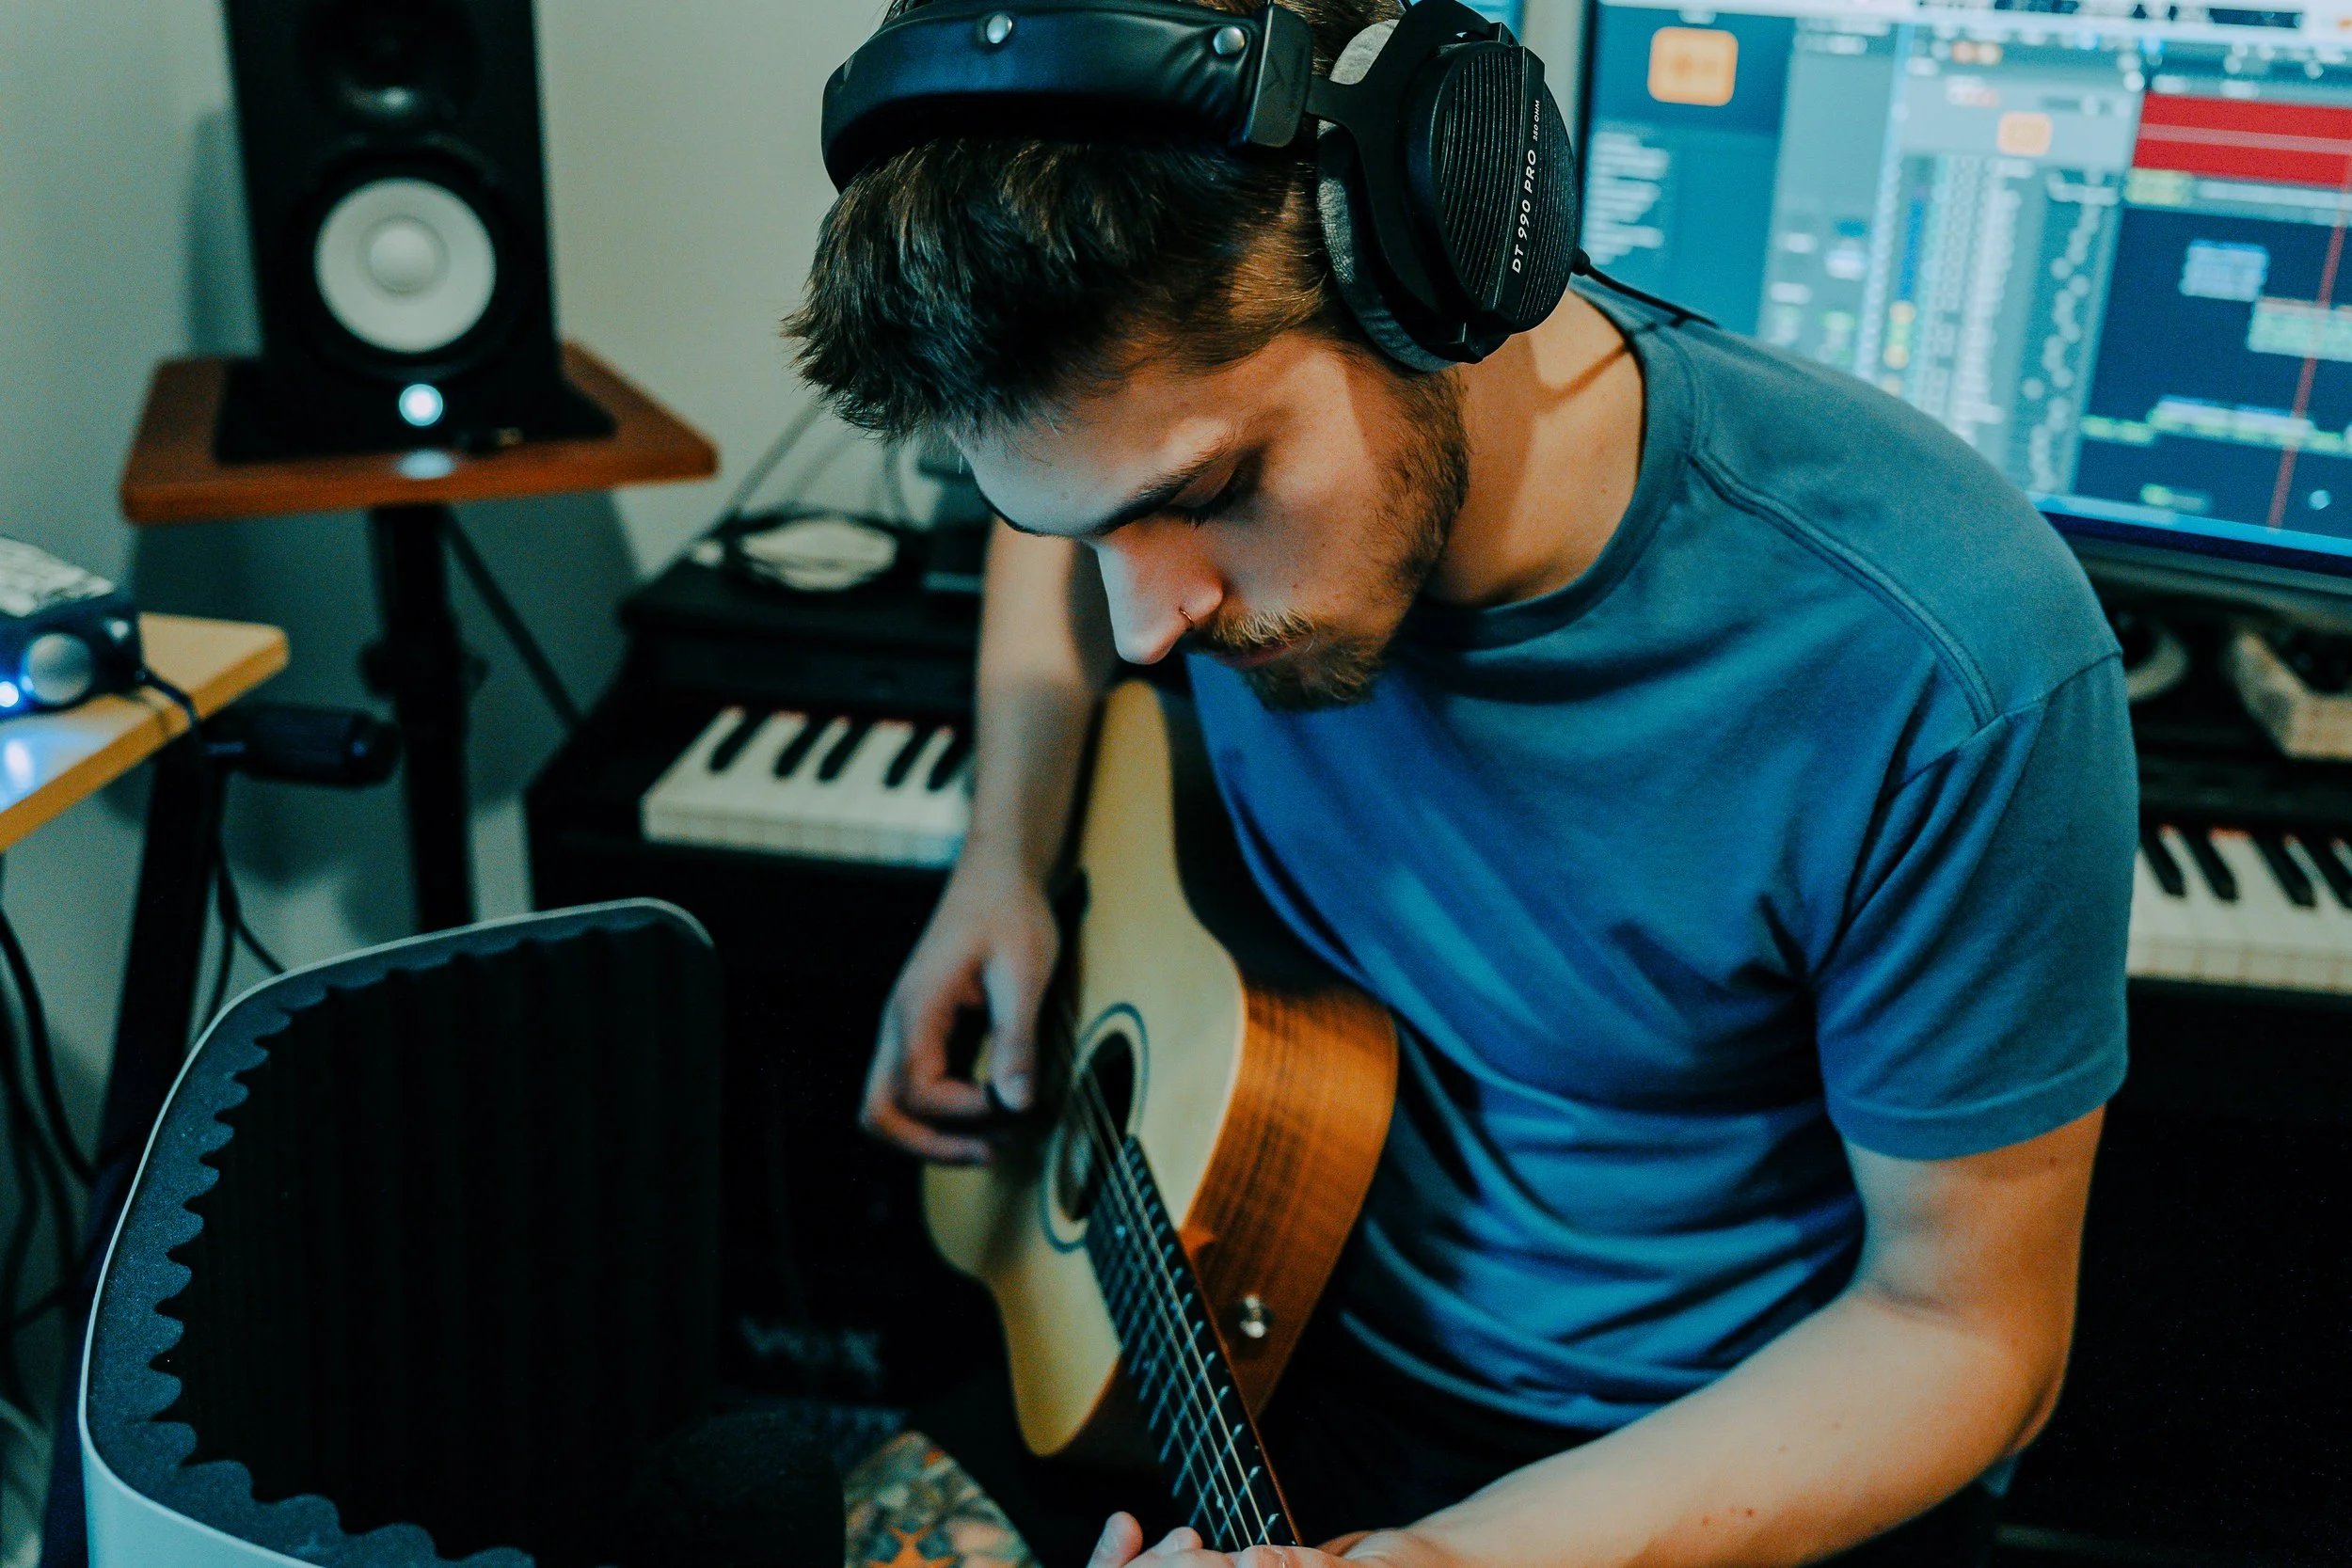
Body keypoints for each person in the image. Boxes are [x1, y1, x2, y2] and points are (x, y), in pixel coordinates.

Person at [788, 0, 2137, 1561]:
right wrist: (1003, 858)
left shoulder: (1946, 655)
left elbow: (1967, 1336)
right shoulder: (1148, 456)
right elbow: (1076, 500)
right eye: (1082, 529)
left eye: (1212, 493)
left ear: (1437, 264)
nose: (1145, 630)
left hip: (1684, 1449)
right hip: (1271, 1305)